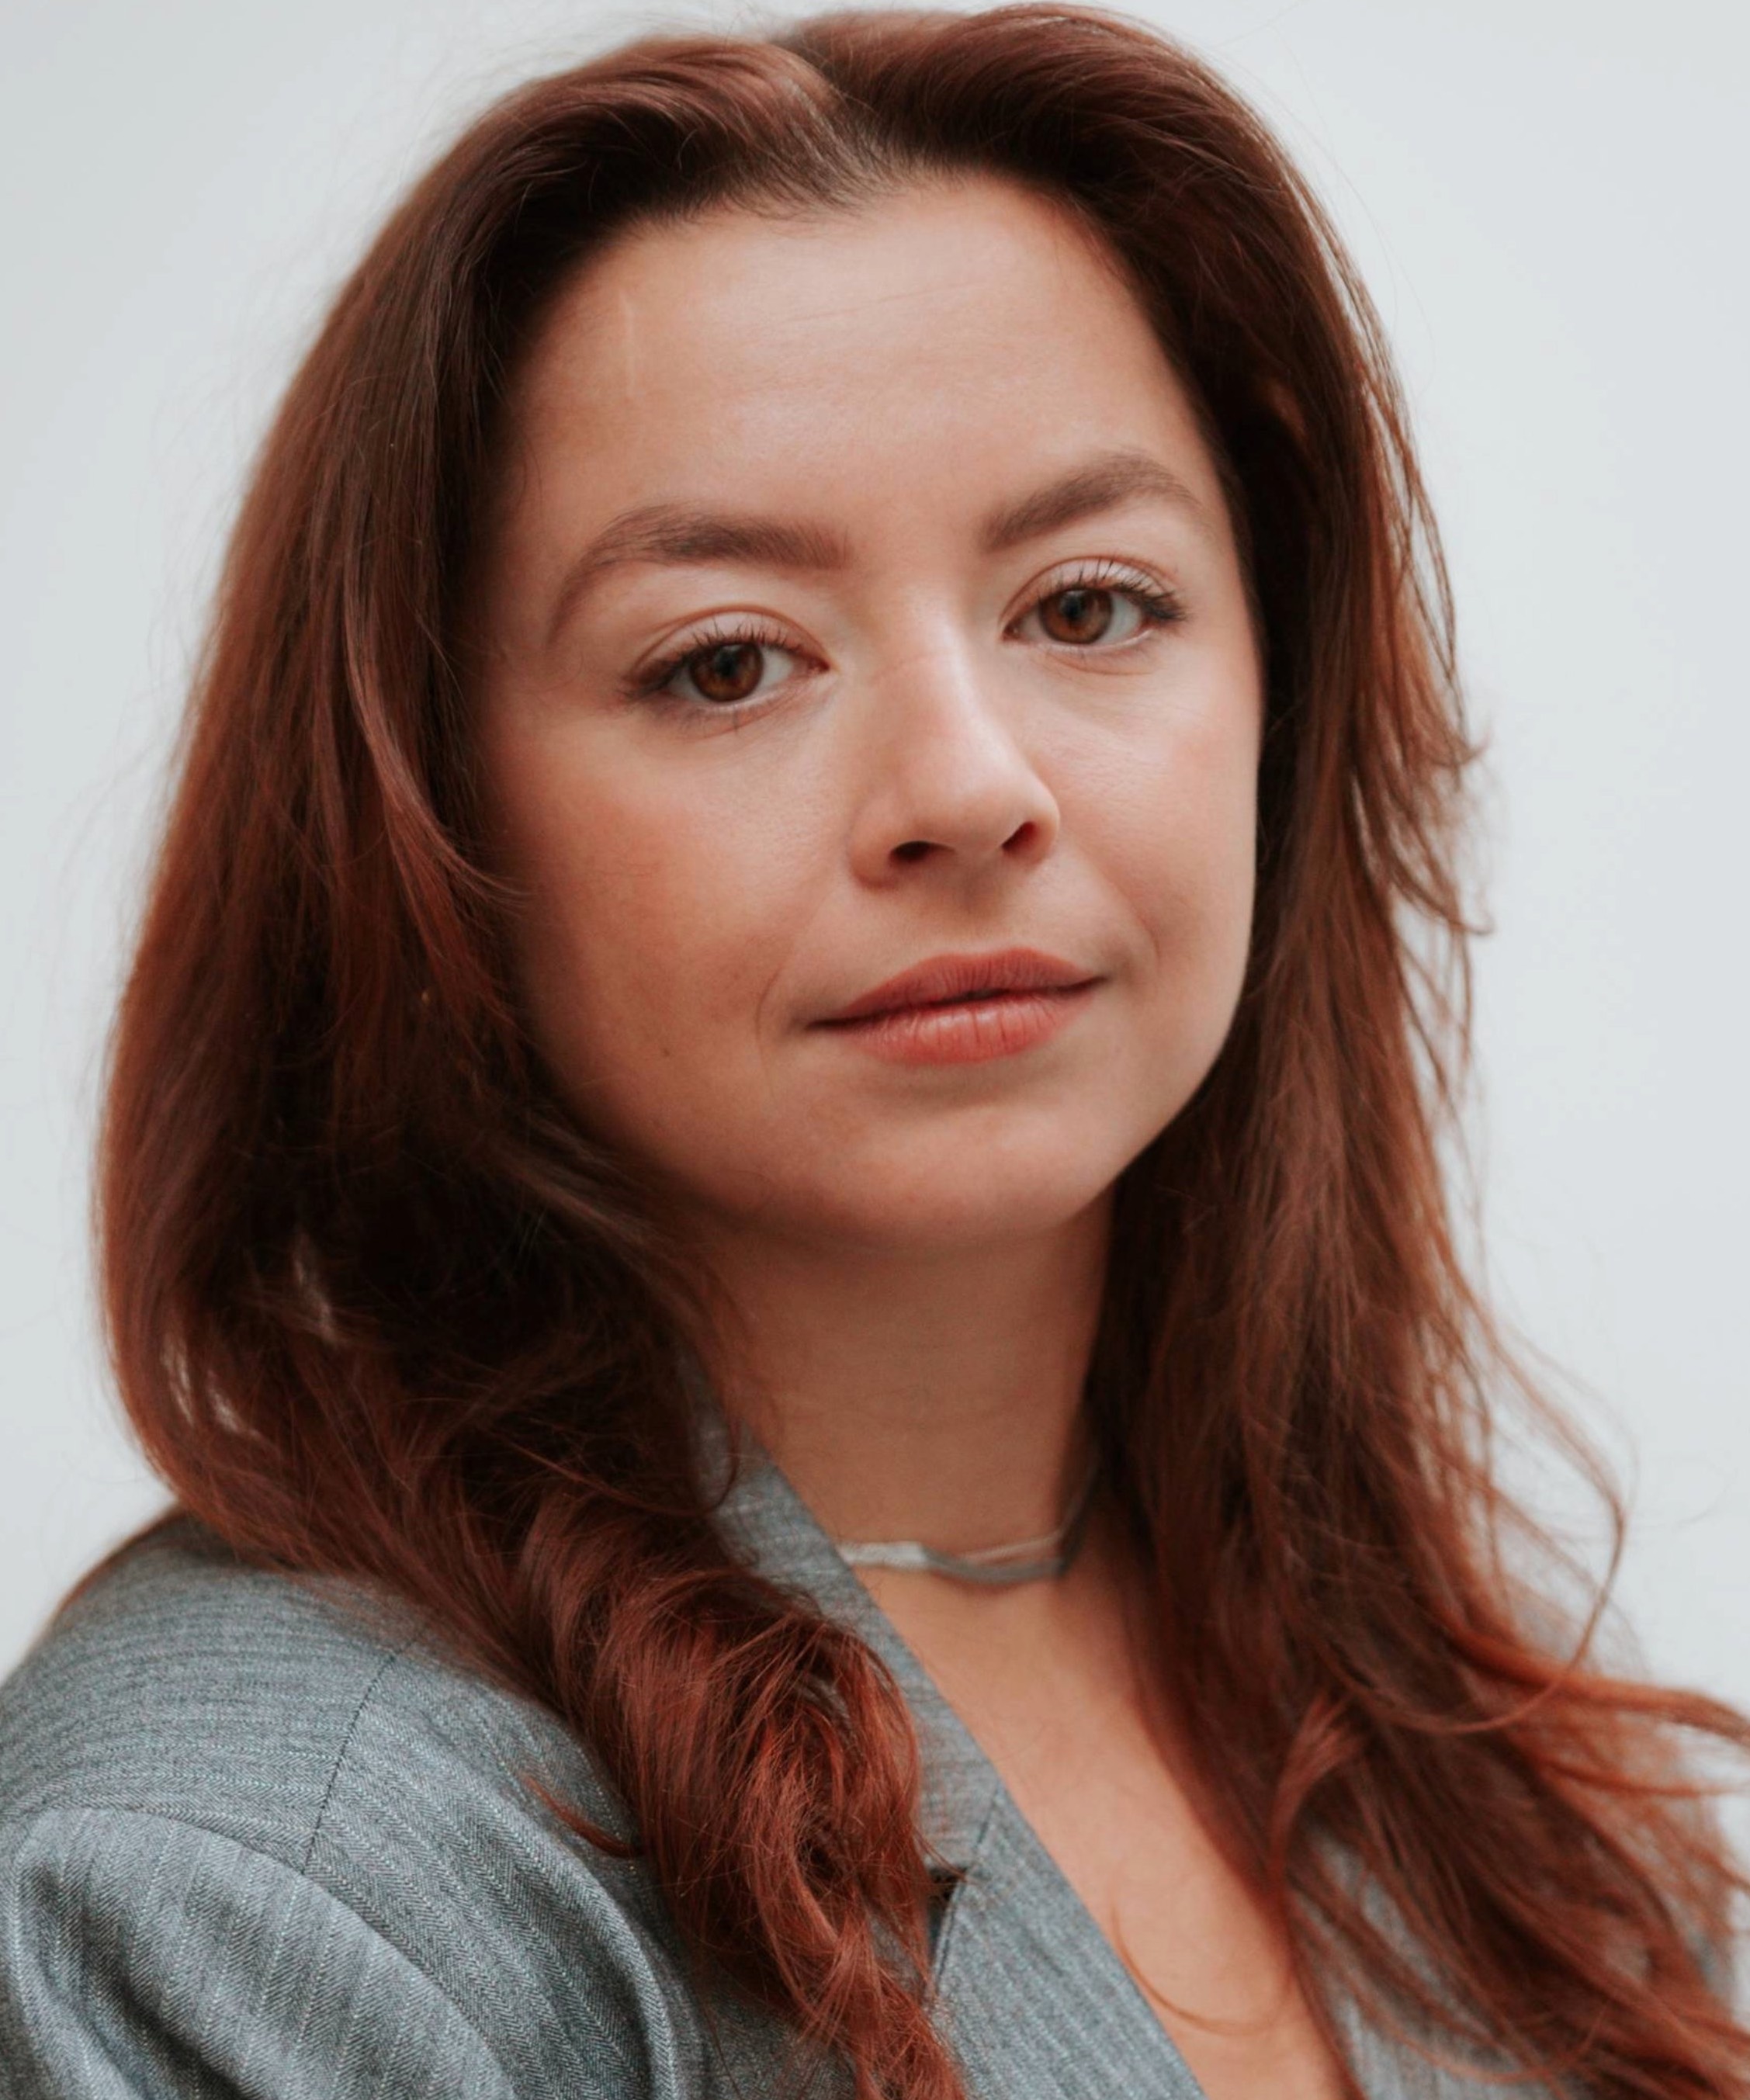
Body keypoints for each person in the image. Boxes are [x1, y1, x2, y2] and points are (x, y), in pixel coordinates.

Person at [0, 5, 1743, 2095]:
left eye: (1088, 606)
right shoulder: (251, 1880)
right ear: (427, 820)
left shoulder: (1475, 1723)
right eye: (727, 660)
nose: (970, 785)